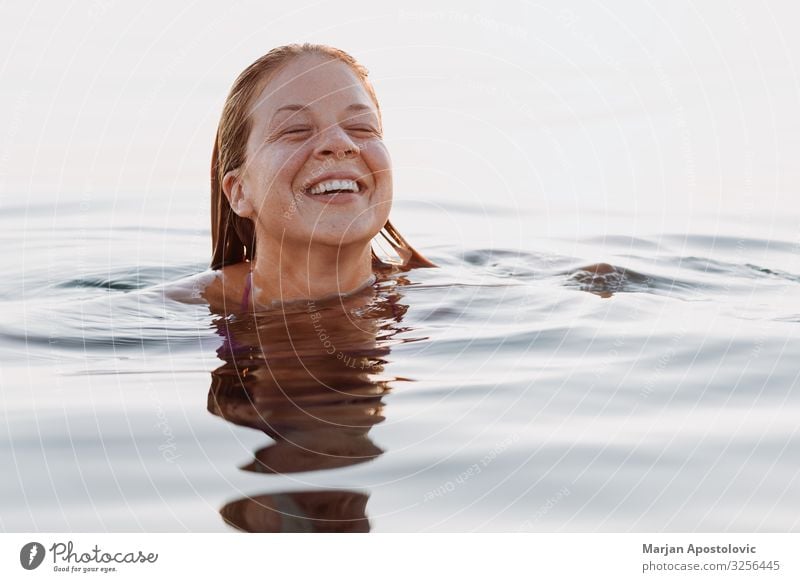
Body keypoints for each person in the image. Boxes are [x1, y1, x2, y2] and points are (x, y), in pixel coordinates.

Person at [200, 43, 434, 313]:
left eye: (361, 127)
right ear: (239, 191)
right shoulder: (179, 313)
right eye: (296, 130)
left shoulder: (447, 303)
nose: (339, 143)